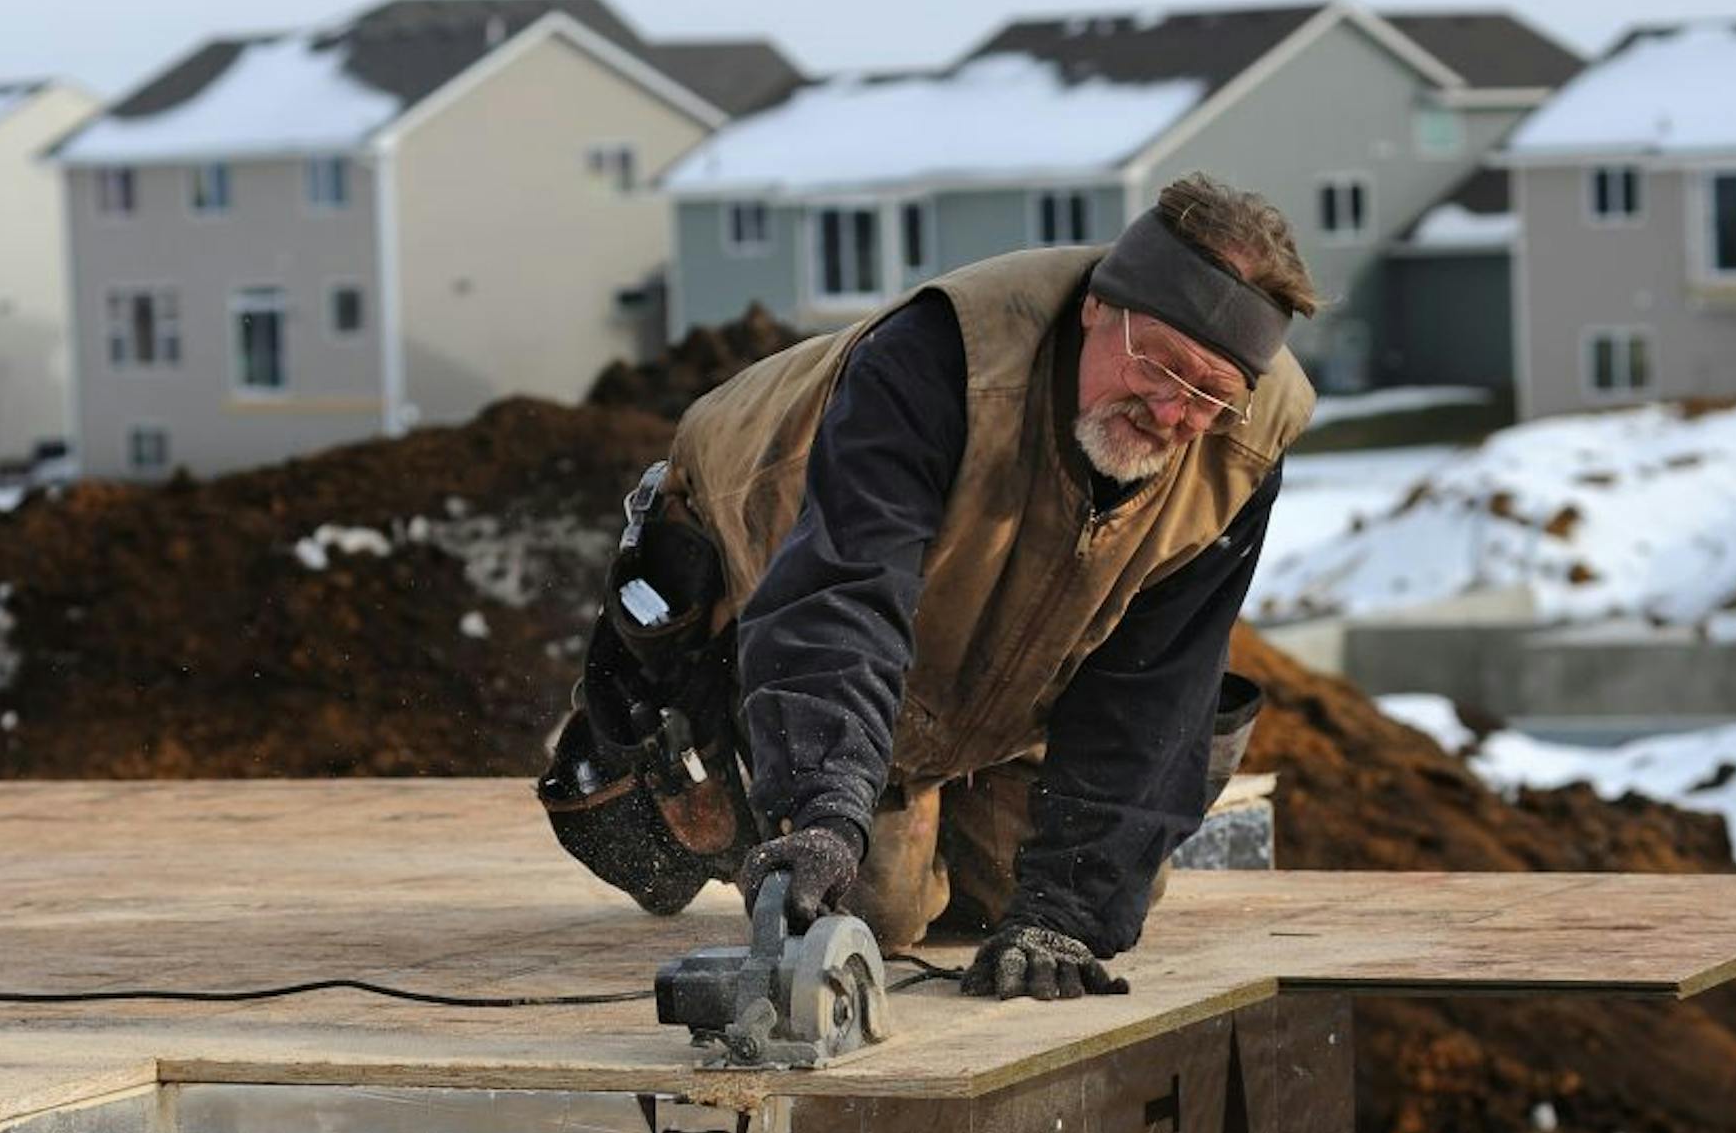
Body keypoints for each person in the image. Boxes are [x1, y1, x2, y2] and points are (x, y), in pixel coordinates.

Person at [539, 174, 1319, 1001]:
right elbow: (844, 594)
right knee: (868, 908)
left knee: (1062, 904)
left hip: (985, 631)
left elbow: (1162, 679)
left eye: (1209, 395)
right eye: (1158, 365)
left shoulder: (1242, 449)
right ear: (1099, 306)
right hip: (777, 560)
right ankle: (655, 770)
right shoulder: (934, 364)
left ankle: (941, 796)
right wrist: (826, 813)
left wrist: (1064, 910)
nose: (1170, 410)